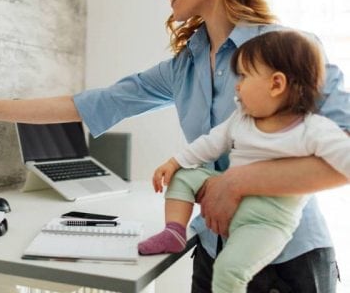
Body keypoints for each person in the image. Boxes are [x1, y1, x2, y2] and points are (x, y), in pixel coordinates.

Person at [0, 0, 350, 293]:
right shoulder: (184, 66)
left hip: (290, 260)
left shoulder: (292, 52)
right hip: (213, 251)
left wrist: (238, 182)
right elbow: (94, 103)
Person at [137, 30, 350, 292]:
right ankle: (174, 232)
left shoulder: (312, 129)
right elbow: (210, 143)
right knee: (184, 175)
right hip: (229, 201)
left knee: (229, 269)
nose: (237, 86)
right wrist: (174, 162)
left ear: (276, 84)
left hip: (267, 221)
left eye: (244, 76)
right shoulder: (241, 119)